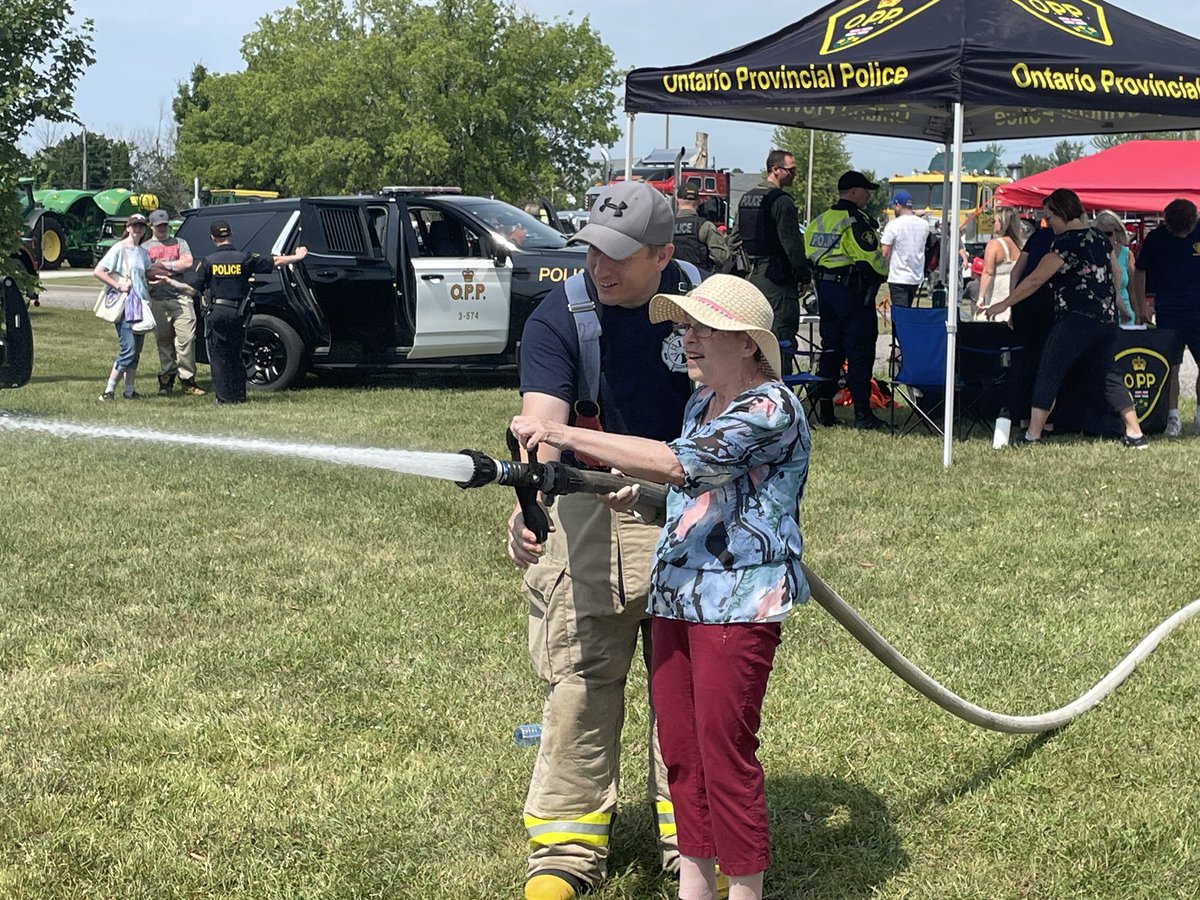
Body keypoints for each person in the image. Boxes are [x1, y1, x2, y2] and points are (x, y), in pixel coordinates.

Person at [510, 273, 810, 900]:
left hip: (733, 607)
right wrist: (646, 496)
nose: (687, 340)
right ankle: (694, 888)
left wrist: (566, 437)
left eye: (704, 329)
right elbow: (693, 490)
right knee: (682, 751)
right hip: (677, 595)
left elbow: (682, 464)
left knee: (723, 753)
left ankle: (745, 891)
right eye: (687, 326)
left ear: (750, 344)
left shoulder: (771, 407)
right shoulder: (702, 403)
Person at [508, 180, 703, 900]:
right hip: (590, 507)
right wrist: (530, 499)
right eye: (591, 248)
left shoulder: (707, 311)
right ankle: (565, 849)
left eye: (619, 255)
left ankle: (691, 840)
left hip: (693, 511)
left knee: (686, 684)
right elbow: (540, 422)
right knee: (582, 679)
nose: (600, 265)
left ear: (664, 255)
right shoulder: (558, 317)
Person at [985, 188, 1146, 448]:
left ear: (1062, 213)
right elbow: (1116, 272)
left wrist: (1005, 302)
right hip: (1105, 320)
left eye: (1050, 217)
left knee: (1049, 369)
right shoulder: (1098, 236)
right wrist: (1114, 301)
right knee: (1109, 374)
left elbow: (1036, 279)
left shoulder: (1065, 243)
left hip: (1075, 319)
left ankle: (1033, 434)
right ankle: (1135, 433)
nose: (1049, 224)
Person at [803, 170, 889, 430]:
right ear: (853, 192)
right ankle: (863, 414)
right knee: (860, 350)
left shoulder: (819, 221)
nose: (868, 195)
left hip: (825, 292)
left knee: (831, 349)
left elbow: (808, 254)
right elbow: (869, 260)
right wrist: (882, 270)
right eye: (865, 190)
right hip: (852, 293)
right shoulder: (855, 221)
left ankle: (826, 412)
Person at [193, 220, 307, 404]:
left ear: (213, 238)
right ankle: (239, 395)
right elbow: (275, 261)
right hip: (239, 312)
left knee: (219, 356)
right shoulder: (245, 257)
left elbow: (195, 288)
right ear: (230, 235)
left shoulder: (208, 261)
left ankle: (223, 397)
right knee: (237, 353)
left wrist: (172, 285)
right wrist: (297, 256)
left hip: (217, 311)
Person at [1132, 198, 1200, 437]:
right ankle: (1173, 417)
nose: (1182, 236)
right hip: (1169, 311)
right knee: (1171, 367)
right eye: (1176, 231)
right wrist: (1141, 304)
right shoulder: (1157, 238)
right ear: (1167, 224)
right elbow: (1140, 270)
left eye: (1186, 231)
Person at [731, 150, 811, 347]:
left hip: (749, 277)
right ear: (776, 170)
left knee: (752, 336)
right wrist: (804, 275)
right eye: (791, 170)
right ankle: (778, 378)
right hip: (776, 280)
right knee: (779, 336)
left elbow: (733, 241)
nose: (795, 175)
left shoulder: (747, 198)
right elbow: (791, 245)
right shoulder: (782, 201)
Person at [92, 213, 153, 401]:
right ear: (127, 228)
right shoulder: (119, 249)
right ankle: (108, 391)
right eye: (134, 226)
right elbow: (99, 271)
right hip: (125, 306)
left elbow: (147, 274)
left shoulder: (143, 252)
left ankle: (129, 391)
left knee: (136, 352)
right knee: (128, 350)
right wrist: (119, 285)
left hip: (140, 304)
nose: (138, 229)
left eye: (141, 226)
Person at [143, 209, 204, 396]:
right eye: (158, 226)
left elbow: (187, 263)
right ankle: (166, 381)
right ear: (151, 226)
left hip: (181, 297)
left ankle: (187, 380)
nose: (162, 229)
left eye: (164, 225)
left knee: (187, 339)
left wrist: (162, 266)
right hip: (157, 299)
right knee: (163, 341)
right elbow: (147, 272)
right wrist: (172, 268)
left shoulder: (180, 243)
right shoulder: (145, 247)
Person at [1006, 216, 1057, 432]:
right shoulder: (1065, 239)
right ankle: (1047, 421)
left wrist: (1012, 301)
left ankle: (1024, 418)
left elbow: (1016, 271)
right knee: (1049, 363)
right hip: (1048, 305)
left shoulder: (1037, 236)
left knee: (1025, 361)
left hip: (1024, 303)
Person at [879, 189, 928, 309]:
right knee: (908, 311)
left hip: (898, 276)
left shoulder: (893, 225)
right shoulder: (924, 225)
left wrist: (881, 272)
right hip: (916, 276)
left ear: (898, 206)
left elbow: (884, 252)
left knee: (900, 315)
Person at [974, 208, 1025, 323]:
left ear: (1003, 223)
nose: (993, 224)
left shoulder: (994, 244)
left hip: (997, 292)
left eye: (995, 221)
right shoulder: (1019, 247)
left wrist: (980, 297)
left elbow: (988, 271)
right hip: (1014, 292)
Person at [672, 183, 730, 273]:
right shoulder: (705, 226)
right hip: (700, 279)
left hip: (674, 278)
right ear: (699, 202)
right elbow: (721, 257)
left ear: (677, 201)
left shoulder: (668, 226)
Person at [1092, 210, 1134, 327]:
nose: (1104, 237)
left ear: (1117, 232)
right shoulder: (1091, 254)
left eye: (1108, 233)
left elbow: (1132, 290)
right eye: (1099, 233)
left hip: (1125, 315)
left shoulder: (1126, 254)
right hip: (1100, 315)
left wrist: (1139, 313)